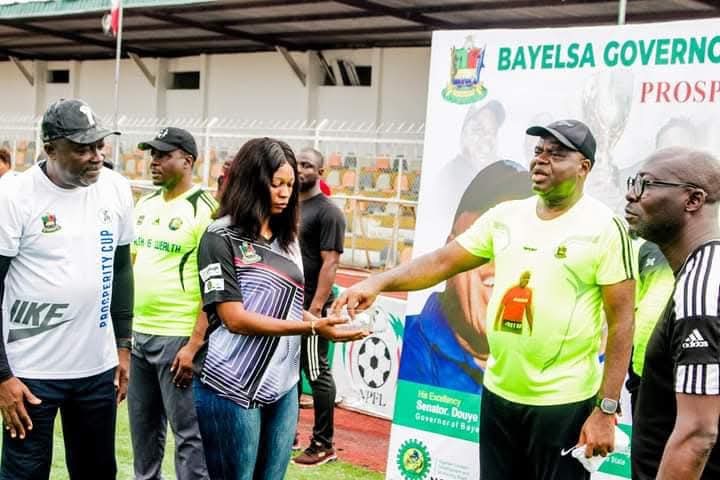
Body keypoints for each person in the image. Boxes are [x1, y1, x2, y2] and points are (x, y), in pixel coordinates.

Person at [335, 119, 635, 480]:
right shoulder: (506, 217)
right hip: (499, 394)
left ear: (584, 167)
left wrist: (606, 409)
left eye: (556, 154)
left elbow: (622, 322)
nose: (541, 160)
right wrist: (378, 281)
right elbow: (442, 262)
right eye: (539, 151)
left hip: (564, 402)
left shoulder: (604, 227)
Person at [192, 137, 367, 480]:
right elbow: (233, 318)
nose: (286, 193)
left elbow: (287, 306)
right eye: (277, 184)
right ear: (253, 182)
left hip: (283, 385)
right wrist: (312, 327)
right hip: (231, 383)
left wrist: (323, 321)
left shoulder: (288, 238)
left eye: (290, 184)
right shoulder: (219, 237)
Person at [0, 98, 134, 479]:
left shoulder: (116, 189)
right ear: (50, 149)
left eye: (99, 145)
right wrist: (2, 376)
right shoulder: (13, 195)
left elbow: (122, 270)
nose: (97, 156)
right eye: (83, 148)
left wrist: (123, 345)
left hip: (96, 369)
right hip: (29, 372)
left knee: (97, 471)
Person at [397, 160, 532, 393]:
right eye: (484, 239)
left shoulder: (552, 352)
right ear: (450, 250)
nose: (502, 259)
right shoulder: (409, 344)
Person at [626, 147, 720, 479]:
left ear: (693, 200)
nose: (631, 194)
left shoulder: (701, 288)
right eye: (632, 182)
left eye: (645, 184)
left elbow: (698, 434)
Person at [129, 127, 214, 480]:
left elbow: (214, 287)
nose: (154, 162)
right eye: (153, 155)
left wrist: (194, 344)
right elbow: (132, 265)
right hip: (138, 335)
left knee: (189, 437)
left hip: (178, 339)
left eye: (163, 155)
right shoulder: (145, 204)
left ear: (187, 161)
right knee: (143, 433)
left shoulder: (206, 210)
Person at [292, 147, 346, 466]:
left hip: (310, 309)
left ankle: (323, 444)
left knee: (316, 373)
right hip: (287, 306)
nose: (300, 170)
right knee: (288, 371)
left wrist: (315, 310)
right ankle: (288, 435)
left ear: (320, 173)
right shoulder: (289, 206)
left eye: (307, 165)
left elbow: (331, 263)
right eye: (297, 164)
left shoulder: (328, 212)